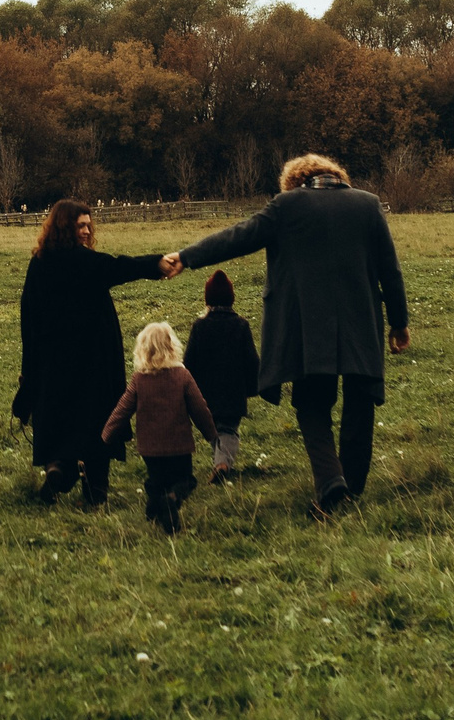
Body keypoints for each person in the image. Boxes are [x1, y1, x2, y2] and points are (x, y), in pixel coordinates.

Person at [172, 153, 409, 516]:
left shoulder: (288, 205)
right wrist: (399, 322)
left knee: (312, 405)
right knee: (360, 405)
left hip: (307, 329)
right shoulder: (368, 205)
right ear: (336, 176)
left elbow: (238, 237)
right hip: (361, 326)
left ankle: (332, 482)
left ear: (295, 182)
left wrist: (187, 257)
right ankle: (352, 488)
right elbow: (389, 271)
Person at [11, 198, 175, 509]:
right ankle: (94, 491)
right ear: (65, 227)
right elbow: (118, 267)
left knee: (62, 418)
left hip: (52, 360)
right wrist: (156, 264)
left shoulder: (40, 263)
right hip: (92, 360)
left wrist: (29, 366)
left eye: (89, 224)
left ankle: (59, 467)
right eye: (81, 225)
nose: (87, 231)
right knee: (97, 421)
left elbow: (27, 314)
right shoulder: (81, 261)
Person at [101, 321, 219, 533]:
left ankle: (156, 506)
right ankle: (171, 499)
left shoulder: (139, 380)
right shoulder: (183, 376)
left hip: (150, 449)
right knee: (186, 480)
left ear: (143, 350)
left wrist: (107, 434)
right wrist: (211, 433)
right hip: (179, 446)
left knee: (157, 481)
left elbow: (122, 409)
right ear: (172, 347)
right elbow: (199, 408)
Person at [186, 268, 259, 483]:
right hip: (233, 393)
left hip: (206, 393)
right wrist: (253, 388)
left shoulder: (199, 326)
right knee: (229, 430)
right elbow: (251, 360)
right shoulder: (241, 325)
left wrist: (187, 391)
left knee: (214, 428)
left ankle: (220, 462)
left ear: (207, 299)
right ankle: (222, 464)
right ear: (231, 298)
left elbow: (189, 362)